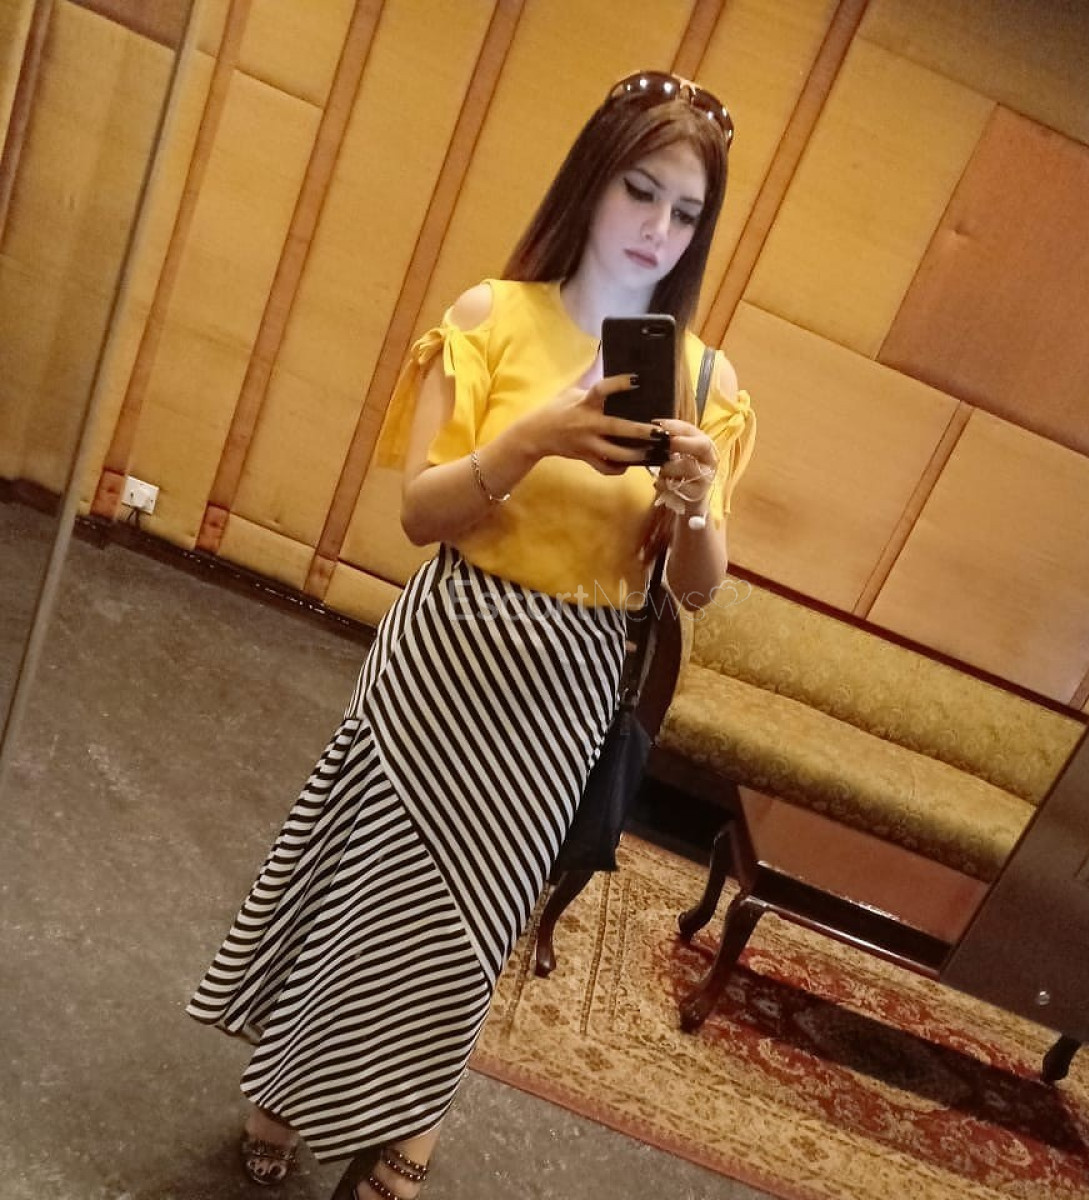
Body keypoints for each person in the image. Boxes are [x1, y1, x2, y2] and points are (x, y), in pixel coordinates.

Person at [187, 70, 755, 1199]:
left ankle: (412, 1119)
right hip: (447, 650)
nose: (658, 228)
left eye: (686, 211)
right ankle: (287, 1089)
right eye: (640, 191)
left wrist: (694, 508)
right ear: (593, 182)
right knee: (365, 884)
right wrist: (537, 436)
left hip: (568, 683)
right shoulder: (491, 318)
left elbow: (698, 589)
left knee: (469, 924)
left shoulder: (706, 380)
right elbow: (420, 513)